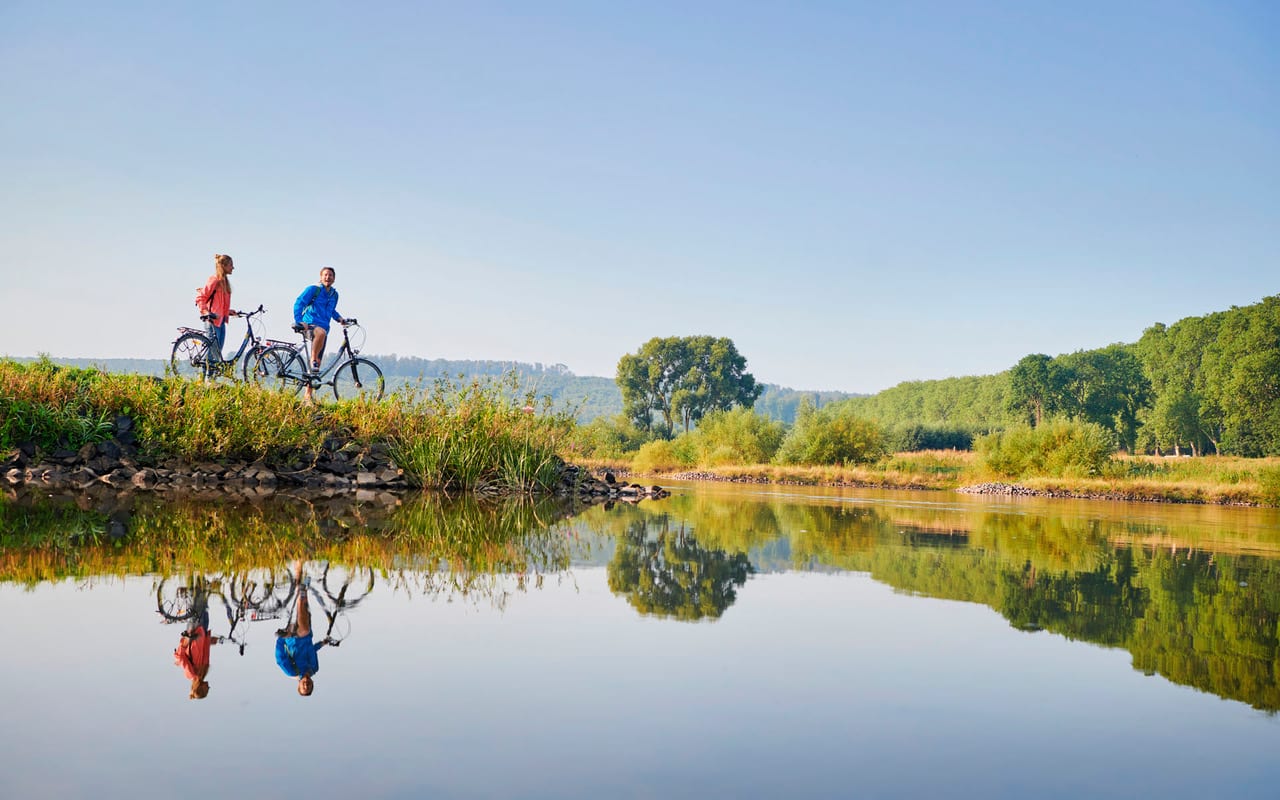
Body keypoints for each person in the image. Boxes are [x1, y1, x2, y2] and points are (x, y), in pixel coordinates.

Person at [292, 266, 346, 402]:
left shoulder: (334, 294)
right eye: (325, 275)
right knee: (319, 337)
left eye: (330, 275)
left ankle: (308, 396)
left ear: (334, 278)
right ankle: (314, 360)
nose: (328, 277)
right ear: (321, 277)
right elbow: (299, 303)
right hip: (309, 324)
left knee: (316, 368)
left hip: (324, 327)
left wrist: (340, 319)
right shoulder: (313, 289)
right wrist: (299, 321)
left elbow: (332, 310)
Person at [275, 562, 326, 696]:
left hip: (293, 637)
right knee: (304, 605)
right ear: (312, 684)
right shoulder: (314, 668)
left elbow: (279, 658)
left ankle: (302, 588)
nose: (306, 685)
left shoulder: (291, 671)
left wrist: (282, 639)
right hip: (307, 634)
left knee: (303, 628)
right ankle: (299, 563)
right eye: (309, 687)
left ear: (299, 685)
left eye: (303, 687)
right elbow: (311, 650)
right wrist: (322, 644)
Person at [173, 584, 220, 700]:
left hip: (194, 631)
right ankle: (200, 578)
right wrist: (210, 640)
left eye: (206, 689)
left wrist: (186, 641)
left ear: (200, 688)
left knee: (195, 602)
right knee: (203, 602)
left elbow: (180, 657)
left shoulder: (191, 674)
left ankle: (188, 586)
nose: (208, 687)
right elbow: (203, 649)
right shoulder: (203, 672)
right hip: (203, 630)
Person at [195, 254, 237, 360]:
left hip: (221, 321)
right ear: (223, 265)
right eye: (231, 265)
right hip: (212, 321)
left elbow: (219, 303)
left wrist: (228, 311)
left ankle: (211, 376)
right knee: (211, 353)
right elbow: (201, 297)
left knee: (217, 354)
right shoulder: (214, 280)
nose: (233, 267)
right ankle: (205, 375)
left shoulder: (225, 282)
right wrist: (205, 311)